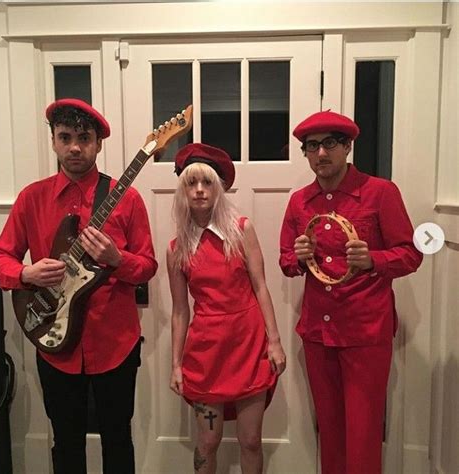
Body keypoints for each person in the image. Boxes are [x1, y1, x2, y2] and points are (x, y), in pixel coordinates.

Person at [0, 98, 158, 474]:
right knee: (66, 443)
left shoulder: (126, 198)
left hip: (115, 342)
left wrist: (118, 259)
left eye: (84, 138)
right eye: (65, 137)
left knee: (118, 439)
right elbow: (0, 259)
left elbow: (147, 268)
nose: (75, 147)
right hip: (54, 344)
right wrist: (26, 274)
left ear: (99, 143)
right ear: (53, 141)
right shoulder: (31, 199)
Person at [279, 110, 423, 474]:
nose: (320, 154)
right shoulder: (299, 202)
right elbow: (286, 261)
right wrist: (298, 258)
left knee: (363, 431)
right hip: (318, 333)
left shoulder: (380, 192)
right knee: (328, 428)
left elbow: (410, 254)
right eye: (311, 146)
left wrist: (372, 259)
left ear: (347, 146)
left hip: (365, 331)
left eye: (329, 143)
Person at [167, 143, 286, 474]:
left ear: (218, 188)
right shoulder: (176, 249)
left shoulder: (242, 230)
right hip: (206, 354)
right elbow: (179, 311)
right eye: (192, 183)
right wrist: (176, 364)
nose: (200, 191)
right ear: (183, 190)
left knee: (250, 440)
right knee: (208, 441)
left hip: (249, 345)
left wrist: (274, 341)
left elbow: (261, 286)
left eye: (207, 183)